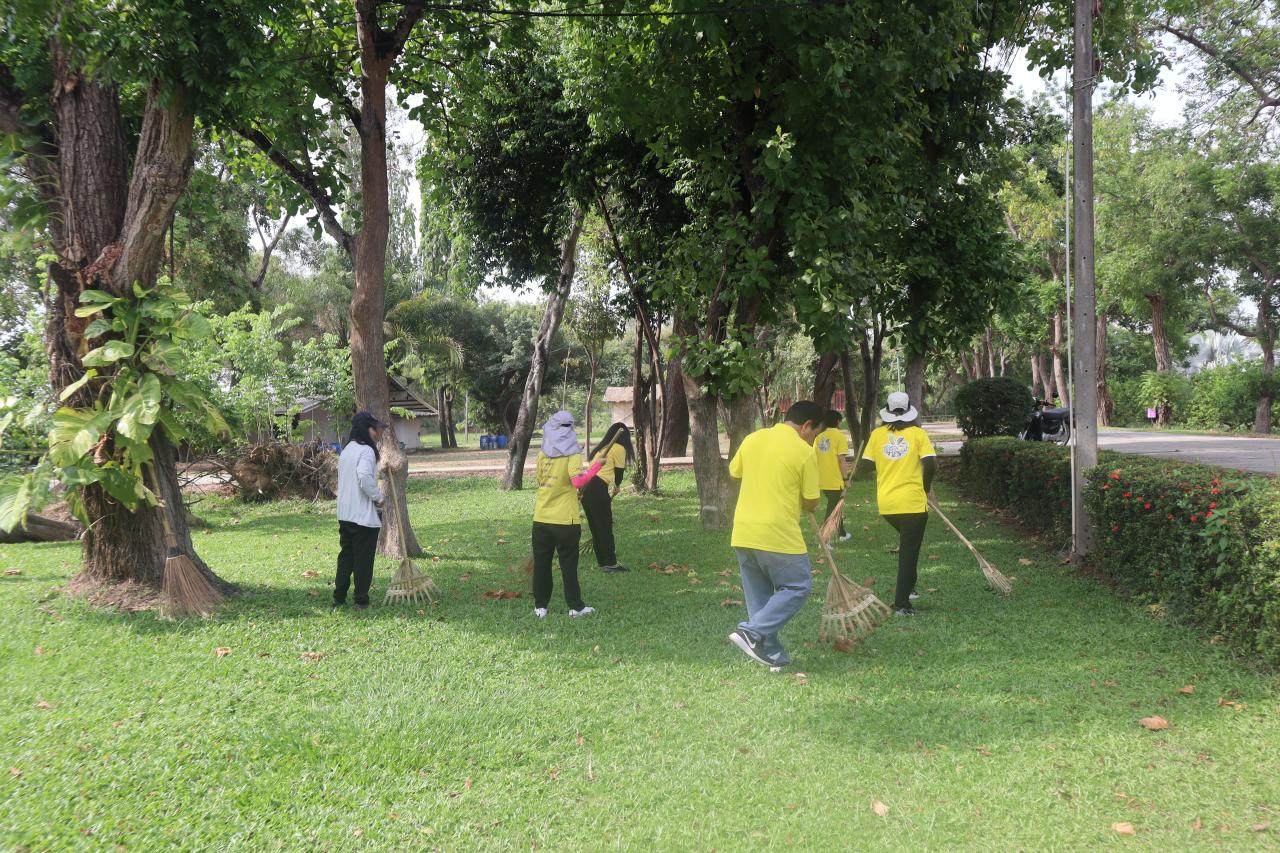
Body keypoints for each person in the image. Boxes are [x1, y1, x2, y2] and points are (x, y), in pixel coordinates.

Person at [726, 400, 824, 670]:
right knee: (797, 586)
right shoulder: (803, 452)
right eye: (815, 434)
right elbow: (812, 502)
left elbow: (735, 473)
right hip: (778, 532)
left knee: (759, 596)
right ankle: (751, 632)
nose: (813, 439)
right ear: (806, 427)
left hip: (744, 531)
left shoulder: (753, 438)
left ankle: (771, 653)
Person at [854, 391, 937, 616]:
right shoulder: (918, 435)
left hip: (888, 505)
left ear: (887, 411)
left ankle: (909, 587)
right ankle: (902, 603)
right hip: (912, 504)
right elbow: (930, 465)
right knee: (909, 551)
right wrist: (926, 487)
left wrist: (887, 458)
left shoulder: (877, 435)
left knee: (909, 546)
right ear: (909, 410)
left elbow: (866, 465)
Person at [532, 411, 607, 619]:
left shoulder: (542, 454)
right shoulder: (573, 453)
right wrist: (596, 467)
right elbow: (578, 482)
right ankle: (575, 607)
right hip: (566, 521)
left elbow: (540, 480)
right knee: (568, 566)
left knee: (541, 565)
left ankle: (540, 608)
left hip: (541, 518)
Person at [334, 411, 387, 610]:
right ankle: (361, 601)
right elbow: (364, 477)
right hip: (362, 517)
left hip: (345, 515)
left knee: (346, 556)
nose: (378, 433)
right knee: (363, 560)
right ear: (368, 430)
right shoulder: (366, 451)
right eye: (376, 429)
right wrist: (378, 498)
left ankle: (338, 598)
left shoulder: (347, 449)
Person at [580, 422, 633, 573]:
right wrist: (617, 485)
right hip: (597, 487)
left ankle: (603, 562)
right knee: (604, 526)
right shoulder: (620, 448)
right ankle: (610, 563)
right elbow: (619, 472)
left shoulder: (601, 448)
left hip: (586, 488)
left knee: (596, 527)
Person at [815, 409, 852, 542]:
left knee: (836, 506)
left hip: (822, 480)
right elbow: (841, 460)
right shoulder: (839, 436)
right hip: (835, 480)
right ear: (837, 421)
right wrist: (846, 478)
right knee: (833, 510)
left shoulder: (818, 436)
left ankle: (842, 534)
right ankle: (824, 540)